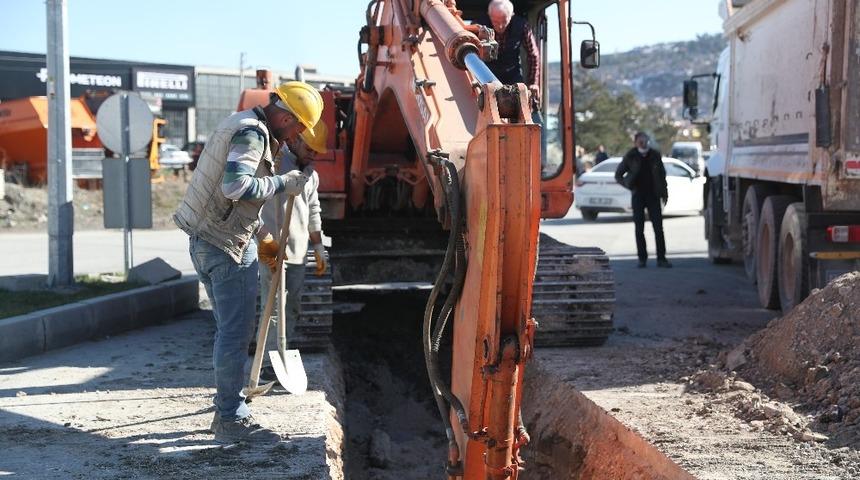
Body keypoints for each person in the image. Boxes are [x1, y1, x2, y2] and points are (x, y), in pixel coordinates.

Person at [173, 81, 323, 443]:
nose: (299, 136)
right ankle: (230, 418)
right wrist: (281, 183)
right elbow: (235, 188)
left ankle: (227, 408)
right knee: (235, 335)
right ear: (285, 116)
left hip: (208, 238)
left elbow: (231, 203)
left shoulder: (240, 122)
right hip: (224, 247)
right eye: (299, 127)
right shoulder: (253, 135)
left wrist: (264, 240)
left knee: (230, 331)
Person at [256, 121, 328, 380]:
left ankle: (283, 355)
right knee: (273, 308)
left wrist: (318, 246)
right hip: (273, 249)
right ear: (295, 140)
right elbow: (252, 206)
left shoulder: (311, 174)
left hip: (298, 252)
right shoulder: (273, 166)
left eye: (317, 151)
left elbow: (313, 211)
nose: (314, 155)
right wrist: (264, 240)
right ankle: (266, 363)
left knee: (292, 308)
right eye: (310, 149)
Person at [615, 132, 672, 269]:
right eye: (639, 141)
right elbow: (618, 175)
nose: (642, 143)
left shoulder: (655, 155)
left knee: (658, 228)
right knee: (639, 228)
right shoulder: (631, 155)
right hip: (638, 196)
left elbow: (662, 175)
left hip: (653, 195)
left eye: (644, 140)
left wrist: (664, 193)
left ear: (648, 141)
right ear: (635, 143)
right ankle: (642, 259)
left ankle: (661, 259)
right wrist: (629, 185)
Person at [475, 0, 541, 100]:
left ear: (512, 16)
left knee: (521, 101)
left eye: (504, 21)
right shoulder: (478, 26)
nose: (500, 26)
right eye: (496, 22)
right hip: (484, 74)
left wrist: (533, 83)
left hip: (513, 74)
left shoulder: (522, 25)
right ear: (489, 15)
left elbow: (533, 55)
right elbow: (471, 53)